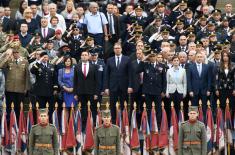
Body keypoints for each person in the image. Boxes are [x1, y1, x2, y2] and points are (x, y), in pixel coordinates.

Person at [104, 42, 132, 123]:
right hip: (113, 87)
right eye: (116, 48)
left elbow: (130, 74)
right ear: (113, 49)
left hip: (124, 86)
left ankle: (125, 121)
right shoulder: (109, 60)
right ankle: (113, 121)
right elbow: (107, 75)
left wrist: (130, 86)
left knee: (124, 105)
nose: (117, 50)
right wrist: (106, 87)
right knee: (112, 106)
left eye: (118, 48)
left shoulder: (127, 59)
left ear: (121, 49)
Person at [0, 48, 30, 119]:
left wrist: (26, 88)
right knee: (9, 107)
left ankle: (18, 123)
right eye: (14, 53)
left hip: (20, 89)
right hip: (10, 89)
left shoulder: (25, 62)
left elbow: (27, 76)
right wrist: (7, 57)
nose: (15, 54)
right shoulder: (9, 61)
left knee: (19, 107)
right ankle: (9, 123)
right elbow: (1, 66)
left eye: (17, 52)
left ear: (20, 53)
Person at [73, 50, 98, 129]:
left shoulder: (93, 66)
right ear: (81, 56)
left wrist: (96, 93)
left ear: (88, 56)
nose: (84, 56)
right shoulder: (77, 66)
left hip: (91, 91)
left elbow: (96, 80)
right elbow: (75, 80)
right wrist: (75, 93)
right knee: (82, 108)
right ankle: (83, 126)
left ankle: (92, 125)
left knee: (92, 108)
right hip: (80, 92)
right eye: (83, 55)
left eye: (85, 55)